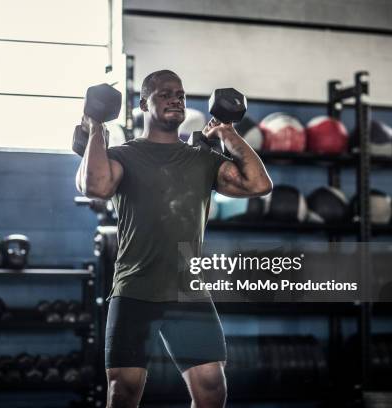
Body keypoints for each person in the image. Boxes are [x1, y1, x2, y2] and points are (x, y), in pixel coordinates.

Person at [76, 70, 272, 408]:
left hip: (188, 291)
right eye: (164, 93)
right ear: (143, 103)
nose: (175, 98)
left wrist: (227, 131)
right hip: (135, 288)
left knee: (212, 387)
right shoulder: (125, 155)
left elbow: (258, 184)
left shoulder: (202, 159)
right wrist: (95, 126)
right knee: (123, 391)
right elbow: (96, 186)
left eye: (180, 94)